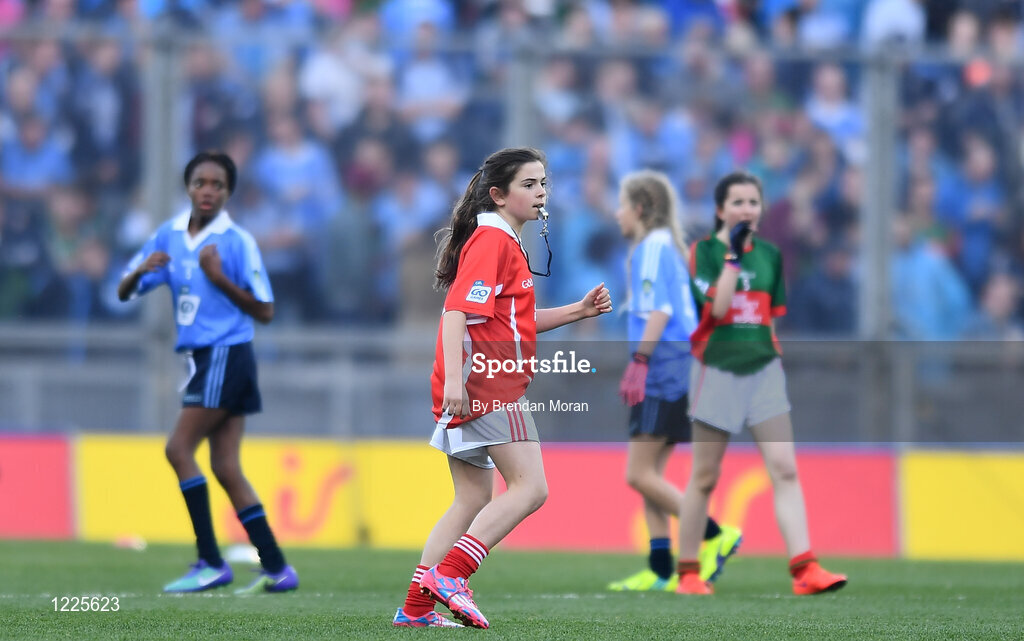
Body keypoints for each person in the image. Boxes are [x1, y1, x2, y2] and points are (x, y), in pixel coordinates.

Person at [393, 147, 612, 628]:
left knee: (471, 499)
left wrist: (577, 311)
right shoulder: (493, 240)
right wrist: (456, 381)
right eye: (529, 185)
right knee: (531, 487)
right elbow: (455, 313)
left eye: (543, 184)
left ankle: (414, 609)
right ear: (498, 194)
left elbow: (517, 321)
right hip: (486, 382)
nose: (540, 193)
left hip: (472, 382)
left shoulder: (502, 240)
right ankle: (451, 576)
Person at [117, 151, 298, 595]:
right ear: (189, 187)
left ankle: (210, 560)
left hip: (225, 355)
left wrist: (218, 279)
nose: (208, 191)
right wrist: (140, 270)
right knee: (225, 466)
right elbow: (124, 290)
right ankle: (276, 567)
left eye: (218, 184)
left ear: (228, 192)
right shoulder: (170, 235)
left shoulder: (236, 242)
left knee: (178, 449)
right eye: (201, 182)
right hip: (203, 359)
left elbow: (267, 310)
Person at [674, 171, 847, 596]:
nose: (747, 209)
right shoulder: (705, 253)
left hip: (764, 370)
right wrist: (733, 259)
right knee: (705, 476)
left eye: (753, 202)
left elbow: (772, 314)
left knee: (785, 469)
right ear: (720, 210)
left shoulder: (770, 255)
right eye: (738, 202)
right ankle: (689, 572)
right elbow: (717, 308)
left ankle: (805, 569)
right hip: (717, 369)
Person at [608, 170, 741, 593]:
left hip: (664, 364)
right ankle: (662, 567)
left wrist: (640, 361)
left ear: (641, 209)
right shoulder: (666, 246)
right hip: (680, 363)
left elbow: (659, 311)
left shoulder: (650, 247)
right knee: (654, 472)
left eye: (623, 205)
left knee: (637, 474)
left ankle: (713, 533)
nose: (617, 214)